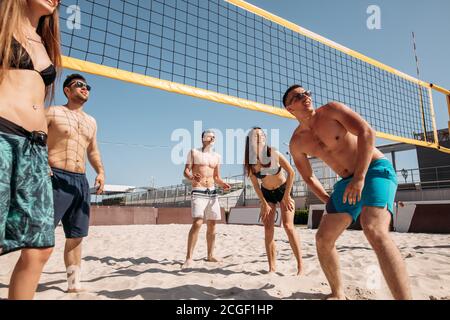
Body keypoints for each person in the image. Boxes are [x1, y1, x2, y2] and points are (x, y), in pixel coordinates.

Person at [283, 84, 412, 299]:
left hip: (374, 169)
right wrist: (326, 198)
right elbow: (307, 176)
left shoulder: (331, 110)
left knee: (373, 229)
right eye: (298, 96)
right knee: (323, 239)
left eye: (307, 93)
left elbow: (366, 132)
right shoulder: (296, 142)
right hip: (346, 183)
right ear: (289, 108)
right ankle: (337, 293)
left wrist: (360, 178)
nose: (306, 97)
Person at [0, 0, 61, 300]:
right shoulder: (3, 23)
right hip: (2, 134)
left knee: (40, 246)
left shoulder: (44, 42)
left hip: (35, 148)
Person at [46, 73, 105, 293]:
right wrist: (42, 164)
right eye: (79, 85)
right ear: (67, 91)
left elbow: (93, 150)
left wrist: (100, 171)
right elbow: (36, 139)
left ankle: (73, 284)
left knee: (76, 236)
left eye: (87, 86)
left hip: (80, 181)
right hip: (55, 177)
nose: (84, 88)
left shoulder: (91, 121)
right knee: (41, 234)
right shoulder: (53, 112)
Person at [244, 127, 303, 275]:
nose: (261, 136)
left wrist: (287, 195)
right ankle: (272, 268)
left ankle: (300, 266)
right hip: (266, 194)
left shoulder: (273, 153)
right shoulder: (251, 163)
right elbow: (256, 185)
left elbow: (291, 172)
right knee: (268, 229)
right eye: (256, 135)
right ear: (250, 141)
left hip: (283, 190)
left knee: (288, 227)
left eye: (262, 134)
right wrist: (263, 202)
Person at [182, 130, 230, 269]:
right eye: (210, 135)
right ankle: (189, 258)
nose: (212, 137)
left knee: (213, 224)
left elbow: (216, 177)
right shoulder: (194, 152)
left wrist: (223, 184)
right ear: (203, 138)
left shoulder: (217, 156)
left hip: (212, 191)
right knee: (197, 222)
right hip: (198, 189)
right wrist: (191, 177)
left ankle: (210, 255)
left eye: (214, 136)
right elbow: (185, 171)